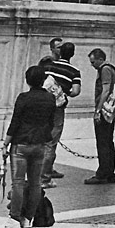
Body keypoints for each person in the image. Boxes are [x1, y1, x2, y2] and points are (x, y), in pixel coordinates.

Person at [0, 66, 55, 228]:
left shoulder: (23, 98)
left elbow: (15, 121)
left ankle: (14, 218)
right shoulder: (50, 98)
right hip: (40, 143)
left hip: (21, 143)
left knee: (17, 182)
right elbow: (51, 122)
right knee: (35, 183)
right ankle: (28, 217)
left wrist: (6, 143)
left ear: (27, 80)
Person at [40, 40, 79, 183]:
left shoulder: (48, 66)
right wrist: (64, 92)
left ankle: (37, 172)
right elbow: (75, 92)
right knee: (51, 141)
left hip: (43, 105)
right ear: (72, 54)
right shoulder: (74, 71)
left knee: (40, 139)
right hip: (58, 107)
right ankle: (44, 177)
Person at [87, 47, 115, 185]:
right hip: (111, 109)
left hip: (105, 109)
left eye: (93, 62)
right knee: (108, 141)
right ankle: (110, 172)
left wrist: (98, 110)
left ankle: (103, 173)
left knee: (103, 142)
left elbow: (105, 90)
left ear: (100, 59)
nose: (92, 65)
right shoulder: (110, 68)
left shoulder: (105, 69)